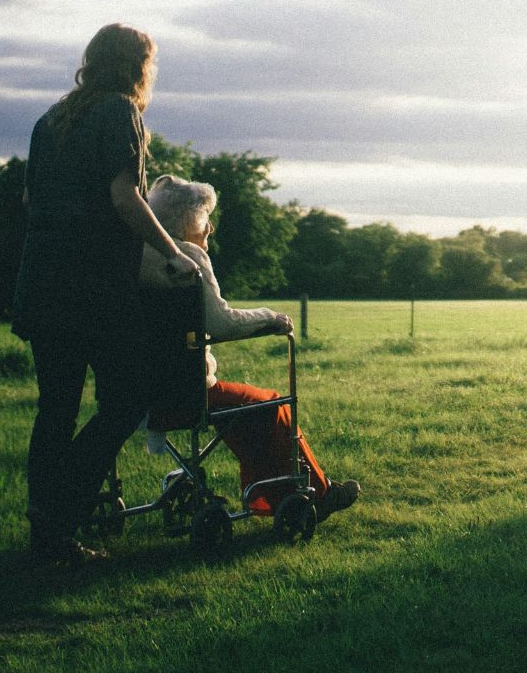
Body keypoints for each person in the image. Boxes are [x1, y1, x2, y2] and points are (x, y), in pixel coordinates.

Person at [12, 24, 201, 565]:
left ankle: (47, 532)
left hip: (42, 280)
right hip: (91, 287)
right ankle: (60, 512)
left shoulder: (50, 120)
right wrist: (173, 252)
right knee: (126, 400)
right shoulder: (121, 112)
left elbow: (32, 198)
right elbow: (125, 197)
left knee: (56, 409)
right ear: (138, 65)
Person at [138, 175, 360, 520]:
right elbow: (222, 323)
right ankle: (318, 492)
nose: (210, 227)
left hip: (143, 392)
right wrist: (270, 317)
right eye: (205, 218)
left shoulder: (140, 257)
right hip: (187, 392)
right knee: (270, 404)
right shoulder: (188, 258)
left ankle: (271, 496)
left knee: (245, 409)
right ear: (186, 221)